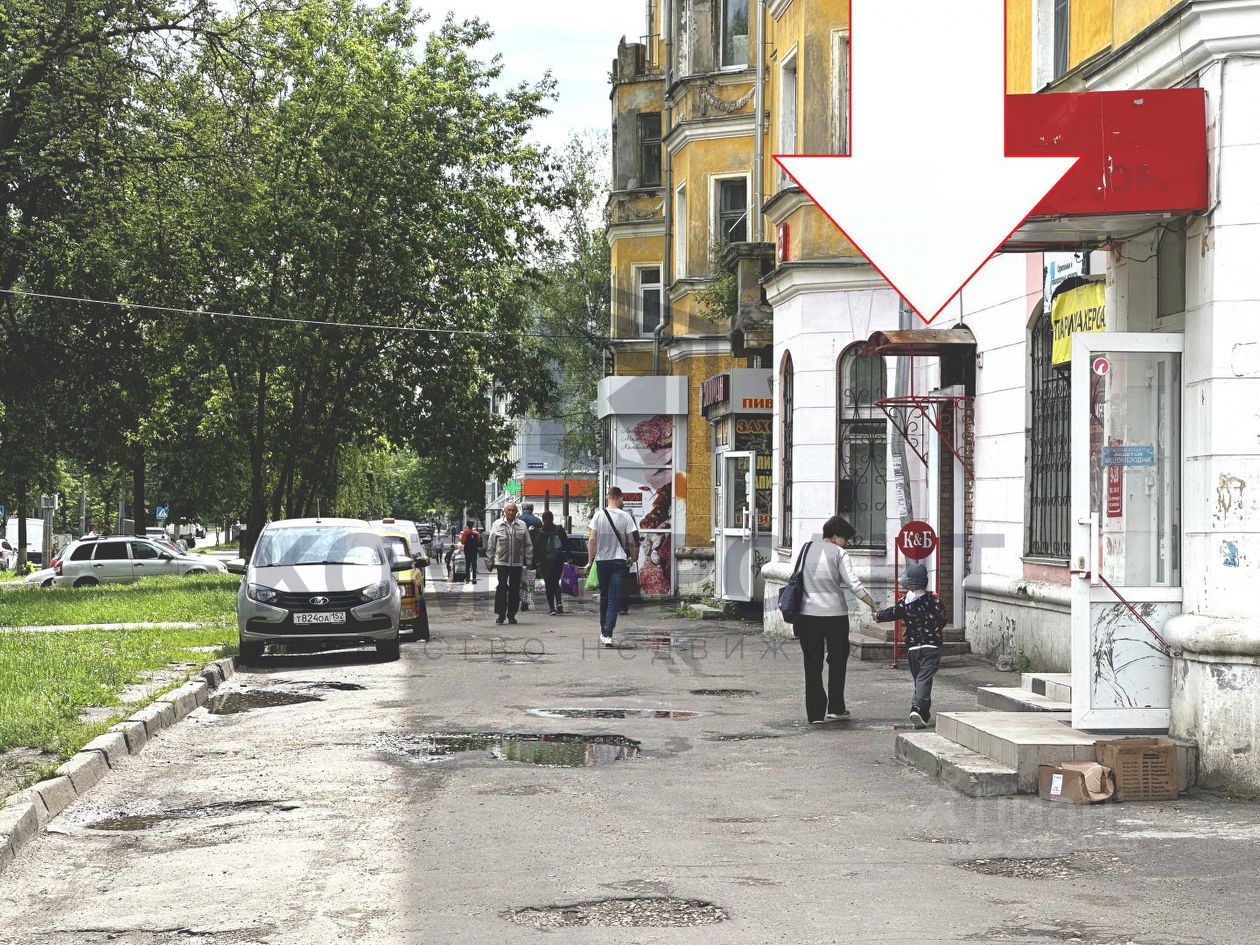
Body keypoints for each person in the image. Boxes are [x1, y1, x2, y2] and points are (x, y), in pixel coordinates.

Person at [794, 515, 879, 725]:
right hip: (835, 616)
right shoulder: (840, 553)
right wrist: (872, 603)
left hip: (807, 616)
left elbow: (796, 578)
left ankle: (815, 714)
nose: (846, 543)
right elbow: (853, 584)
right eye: (845, 538)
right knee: (838, 661)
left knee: (812, 664)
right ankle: (836, 708)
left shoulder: (806, 549)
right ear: (834, 536)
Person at [873, 562, 947, 729]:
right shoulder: (934, 601)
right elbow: (943, 619)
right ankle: (917, 708)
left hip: (913, 648)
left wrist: (878, 615)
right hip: (931, 647)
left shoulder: (904, 603)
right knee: (924, 679)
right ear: (924, 580)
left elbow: (890, 613)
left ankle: (923, 715)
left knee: (920, 680)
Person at [586, 486, 638, 647]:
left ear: (607, 498)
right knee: (614, 597)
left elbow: (592, 540)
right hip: (619, 561)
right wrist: (633, 558)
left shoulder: (598, 515)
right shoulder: (626, 516)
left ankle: (604, 632)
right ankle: (607, 633)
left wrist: (590, 560)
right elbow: (631, 541)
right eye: (622, 499)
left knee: (604, 597)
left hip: (602, 561)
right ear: (619, 498)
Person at [487, 501, 532, 625]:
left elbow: (528, 544)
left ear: (517, 511)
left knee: (514, 589)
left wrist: (529, 560)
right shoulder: (497, 524)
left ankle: (511, 615)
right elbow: (491, 543)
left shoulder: (522, 525)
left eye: (513, 510)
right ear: (504, 511)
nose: (511, 512)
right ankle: (501, 614)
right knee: (501, 587)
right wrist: (490, 560)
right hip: (501, 562)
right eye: (509, 510)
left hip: (517, 563)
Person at [537, 510, 570, 615]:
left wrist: (536, 562)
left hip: (545, 562)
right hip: (558, 560)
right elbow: (566, 544)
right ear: (552, 518)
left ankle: (552, 607)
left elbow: (537, 547)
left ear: (543, 519)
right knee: (555, 582)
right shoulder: (559, 530)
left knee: (548, 584)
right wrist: (568, 557)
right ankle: (559, 603)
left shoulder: (541, 532)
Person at [519, 503, 542, 611]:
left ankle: (517, 599)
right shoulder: (537, 521)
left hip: (518, 554)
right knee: (530, 578)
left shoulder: (518, 520)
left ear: (522, 509)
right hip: (533, 554)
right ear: (532, 509)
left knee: (517, 578)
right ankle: (526, 601)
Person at [460, 520, 481, 584]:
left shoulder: (465, 533)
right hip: (474, 549)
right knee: (474, 563)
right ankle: (474, 578)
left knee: (467, 563)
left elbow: (462, 542)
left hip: (467, 549)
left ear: (467, 525)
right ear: (473, 525)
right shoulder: (476, 533)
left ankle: (467, 578)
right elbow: (478, 540)